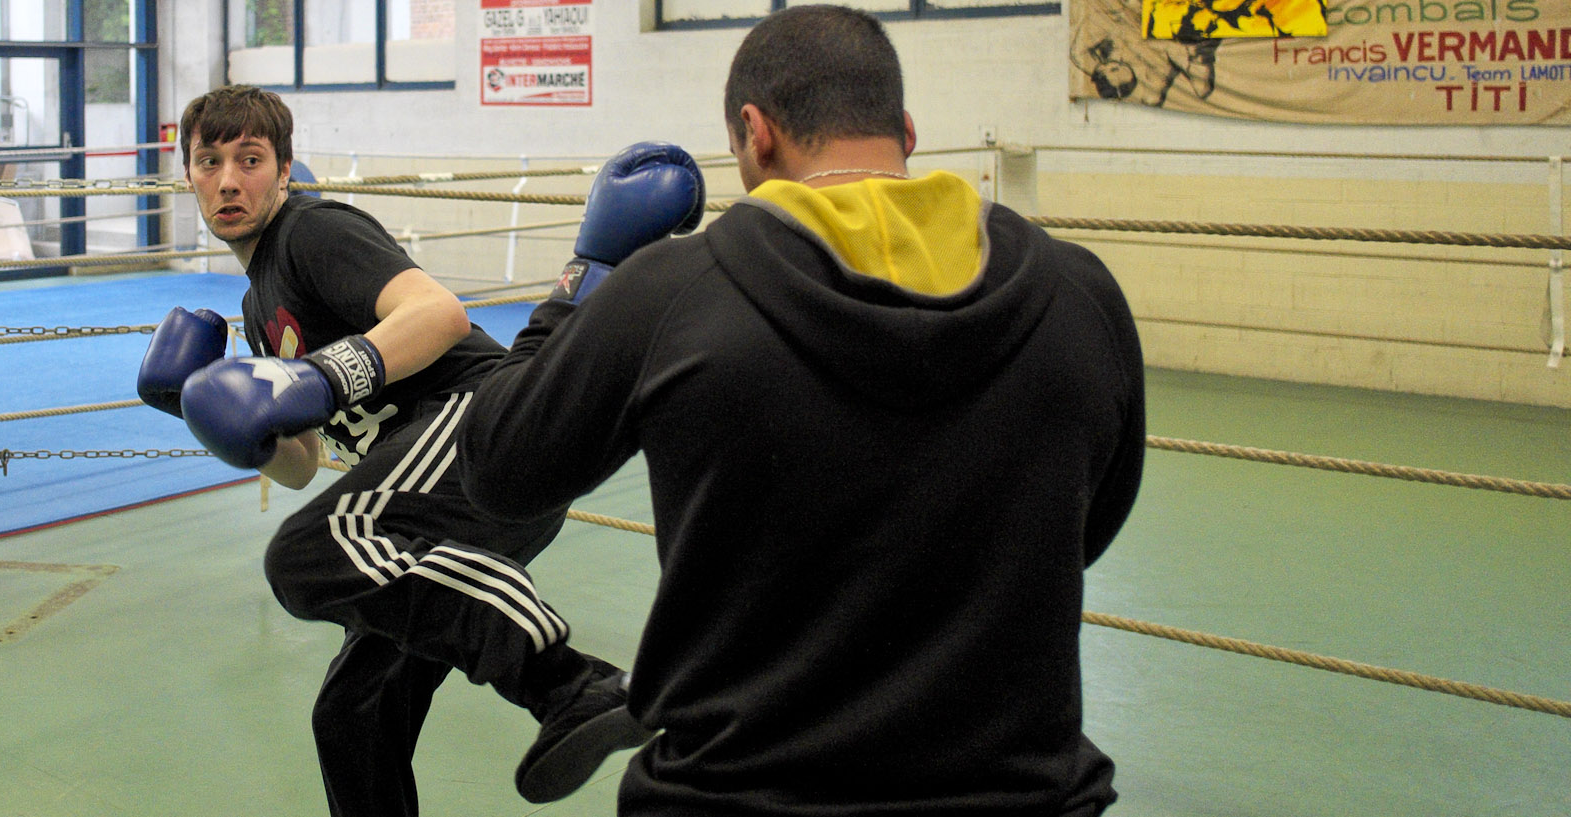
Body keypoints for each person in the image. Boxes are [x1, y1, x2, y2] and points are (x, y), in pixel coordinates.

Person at [457, 6, 1146, 815]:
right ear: (907, 132)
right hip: (1026, 797)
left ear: (756, 132)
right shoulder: (1080, 292)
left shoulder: (676, 291)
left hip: (736, 795)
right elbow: (1087, 526)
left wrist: (588, 274)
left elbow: (499, 467)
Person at [133, 85, 705, 815]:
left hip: (471, 429)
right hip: (434, 501)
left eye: (250, 159)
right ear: (187, 174)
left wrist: (318, 375)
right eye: (209, 161)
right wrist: (216, 415)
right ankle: (562, 683)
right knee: (352, 714)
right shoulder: (256, 305)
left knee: (308, 553)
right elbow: (303, 460)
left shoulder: (312, 232)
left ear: (283, 169)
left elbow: (437, 312)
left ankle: (570, 682)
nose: (228, 180)